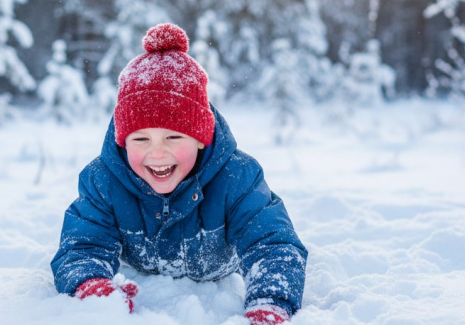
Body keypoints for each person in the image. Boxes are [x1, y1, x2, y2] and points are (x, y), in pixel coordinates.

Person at [51, 23, 307, 324]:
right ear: (123, 141)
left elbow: (273, 244)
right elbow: (82, 246)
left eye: (173, 137)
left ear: (200, 138)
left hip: (217, 272)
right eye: (141, 139)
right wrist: (91, 286)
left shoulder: (237, 177)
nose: (157, 153)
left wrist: (269, 302)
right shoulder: (104, 180)